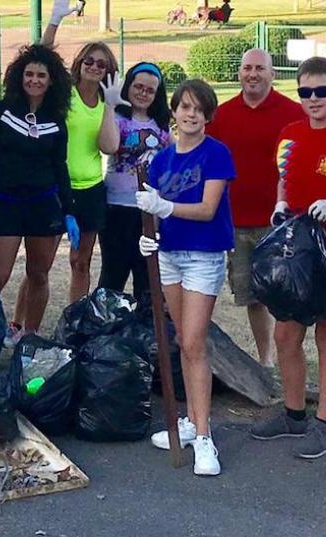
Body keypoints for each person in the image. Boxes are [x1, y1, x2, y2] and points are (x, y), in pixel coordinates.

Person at [249, 56, 326, 459]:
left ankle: (325, 424)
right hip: (294, 251)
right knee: (286, 334)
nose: (314, 99)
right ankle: (294, 412)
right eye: (305, 92)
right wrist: (281, 204)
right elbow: (284, 177)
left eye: (322, 91)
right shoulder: (290, 133)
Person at [137, 80, 236, 477]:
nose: (191, 115)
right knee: (182, 340)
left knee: (195, 342)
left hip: (204, 255)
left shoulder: (217, 154)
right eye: (184, 107)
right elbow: (151, 211)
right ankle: (191, 421)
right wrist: (148, 236)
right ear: (173, 113)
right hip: (170, 256)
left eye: (199, 109)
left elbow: (208, 209)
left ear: (207, 116)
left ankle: (205, 436)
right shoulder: (161, 161)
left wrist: (165, 206)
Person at [0, 44, 79, 344]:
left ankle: (30, 337)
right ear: (19, 76)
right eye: (29, 74)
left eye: (41, 75)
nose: (34, 80)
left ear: (52, 80)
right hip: (6, 203)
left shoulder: (56, 120)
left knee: (38, 274)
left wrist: (69, 211)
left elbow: (60, 167)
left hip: (43, 206)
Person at [208, 48, 306, 366]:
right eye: (247, 68)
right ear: (239, 73)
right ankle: (265, 360)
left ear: (272, 74)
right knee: (252, 295)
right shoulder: (221, 115)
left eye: (259, 69)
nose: (253, 74)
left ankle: (287, 356)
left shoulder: (293, 113)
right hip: (235, 221)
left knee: (282, 292)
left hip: (279, 221)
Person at [39, 0, 121, 302]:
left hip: (90, 190)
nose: (94, 67)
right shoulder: (64, 93)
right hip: (56, 187)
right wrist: (54, 21)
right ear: (80, 63)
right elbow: (42, 58)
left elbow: (108, 147)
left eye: (101, 64)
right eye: (89, 60)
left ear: (107, 71)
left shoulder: (107, 102)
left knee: (81, 261)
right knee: (40, 265)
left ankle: (75, 320)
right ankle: (20, 325)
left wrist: (111, 108)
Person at [97, 62, 172, 302]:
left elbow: (173, 158)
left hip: (150, 210)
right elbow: (108, 146)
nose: (143, 93)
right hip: (117, 207)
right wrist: (109, 105)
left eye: (150, 90)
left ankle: (146, 330)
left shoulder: (161, 125)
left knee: (147, 276)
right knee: (113, 275)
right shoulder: (117, 118)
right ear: (128, 86)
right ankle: (104, 330)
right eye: (138, 86)